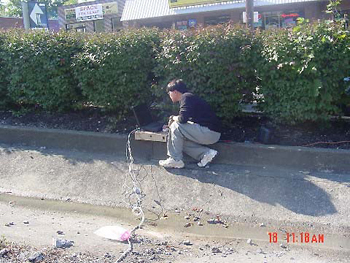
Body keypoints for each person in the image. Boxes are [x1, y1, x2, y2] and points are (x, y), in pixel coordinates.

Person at [159, 79, 221, 169]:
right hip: (211, 133)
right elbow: (187, 120)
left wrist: (173, 118)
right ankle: (206, 154)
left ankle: (175, 160)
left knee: (176, 125)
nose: (169, 95)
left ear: (175, 92)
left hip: (209, 133)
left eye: (169, 93)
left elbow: (182, 119)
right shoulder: (189, 98)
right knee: (177, 142)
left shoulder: (186, 97)